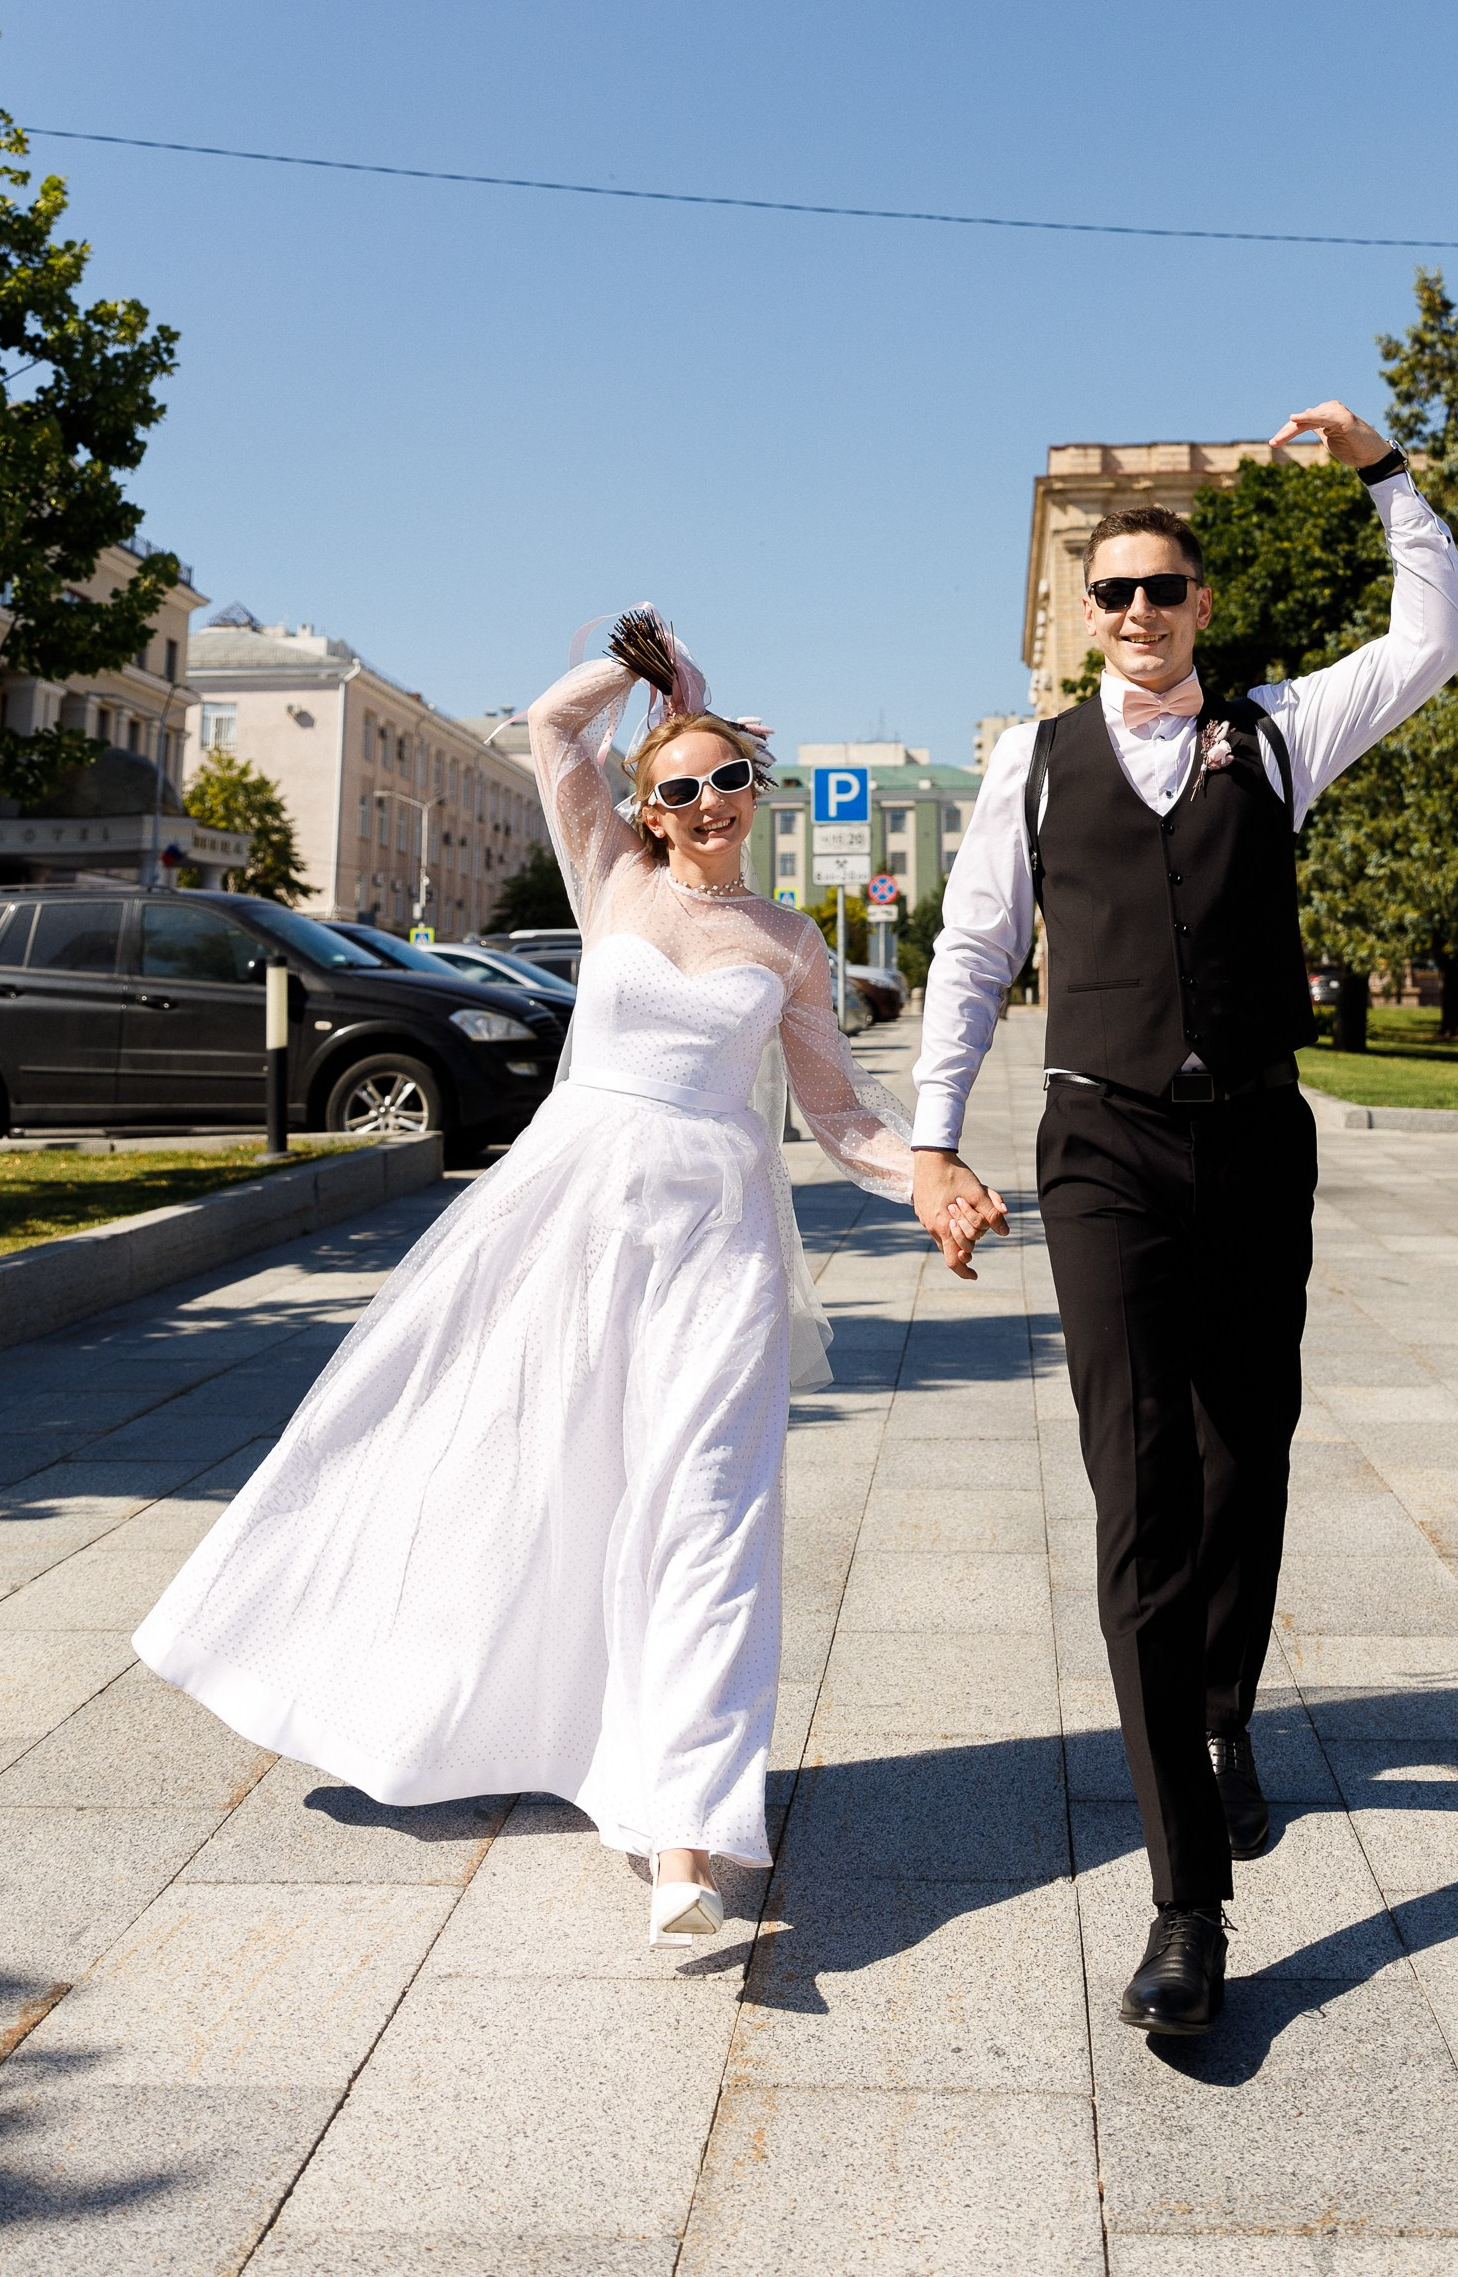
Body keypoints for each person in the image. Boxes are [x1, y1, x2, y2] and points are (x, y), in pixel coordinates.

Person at [134, 607, 933, 1948]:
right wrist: (640, 670)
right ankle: (441, 1695)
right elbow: (553, 727)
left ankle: (689, 1832)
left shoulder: (793, 944)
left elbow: (842, 1120)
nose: (705, 799)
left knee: (710, 1510)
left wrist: (934, 1178)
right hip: (569, 1224)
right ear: (649, 809)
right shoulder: (609, 882)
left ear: (754, 786)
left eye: (726, 773)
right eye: (676, 785)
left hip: (718, 1246)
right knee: (497, 1459)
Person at [912, 405, 1458, 2033]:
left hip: (1252, 1144)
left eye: (1164, 590)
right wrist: (935, 1148)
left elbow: (1438, 631)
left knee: (1251, 1450)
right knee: (1140, 1494)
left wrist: (1384, 475)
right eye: (1113, 595)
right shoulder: (1028, 766)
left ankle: (1225, 1709)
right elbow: (967, 960)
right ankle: (1184, 1906)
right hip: (1099, 1146)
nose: (1139, 615)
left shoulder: (1283, 729)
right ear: (1081, 616)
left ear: (1201, 606)